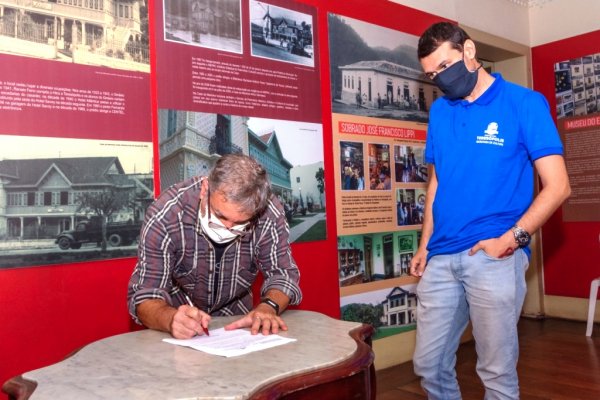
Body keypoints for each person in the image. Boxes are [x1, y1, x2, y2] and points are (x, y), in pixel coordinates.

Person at [410, 22, 571, 400]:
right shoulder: (440, 113)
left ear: (469, 51)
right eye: (432, 75)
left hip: (494, 254)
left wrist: (513, 239)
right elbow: (437, 184)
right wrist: (424, 245)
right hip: (442, 256)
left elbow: (559, 186)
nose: (441, 79)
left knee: (495, 372)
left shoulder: (524, 103)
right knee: (428, 365)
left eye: (445, 67)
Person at [128, 154, 302, 339]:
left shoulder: (269, 212)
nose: (227, 228)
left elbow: (283, 275)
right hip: (179, 318)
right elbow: (145, 294)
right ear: (205, 189)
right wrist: (170, 319)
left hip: (238, 320)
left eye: (241, 223)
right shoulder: (167, 213)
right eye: (220, 216)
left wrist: (269, 307)